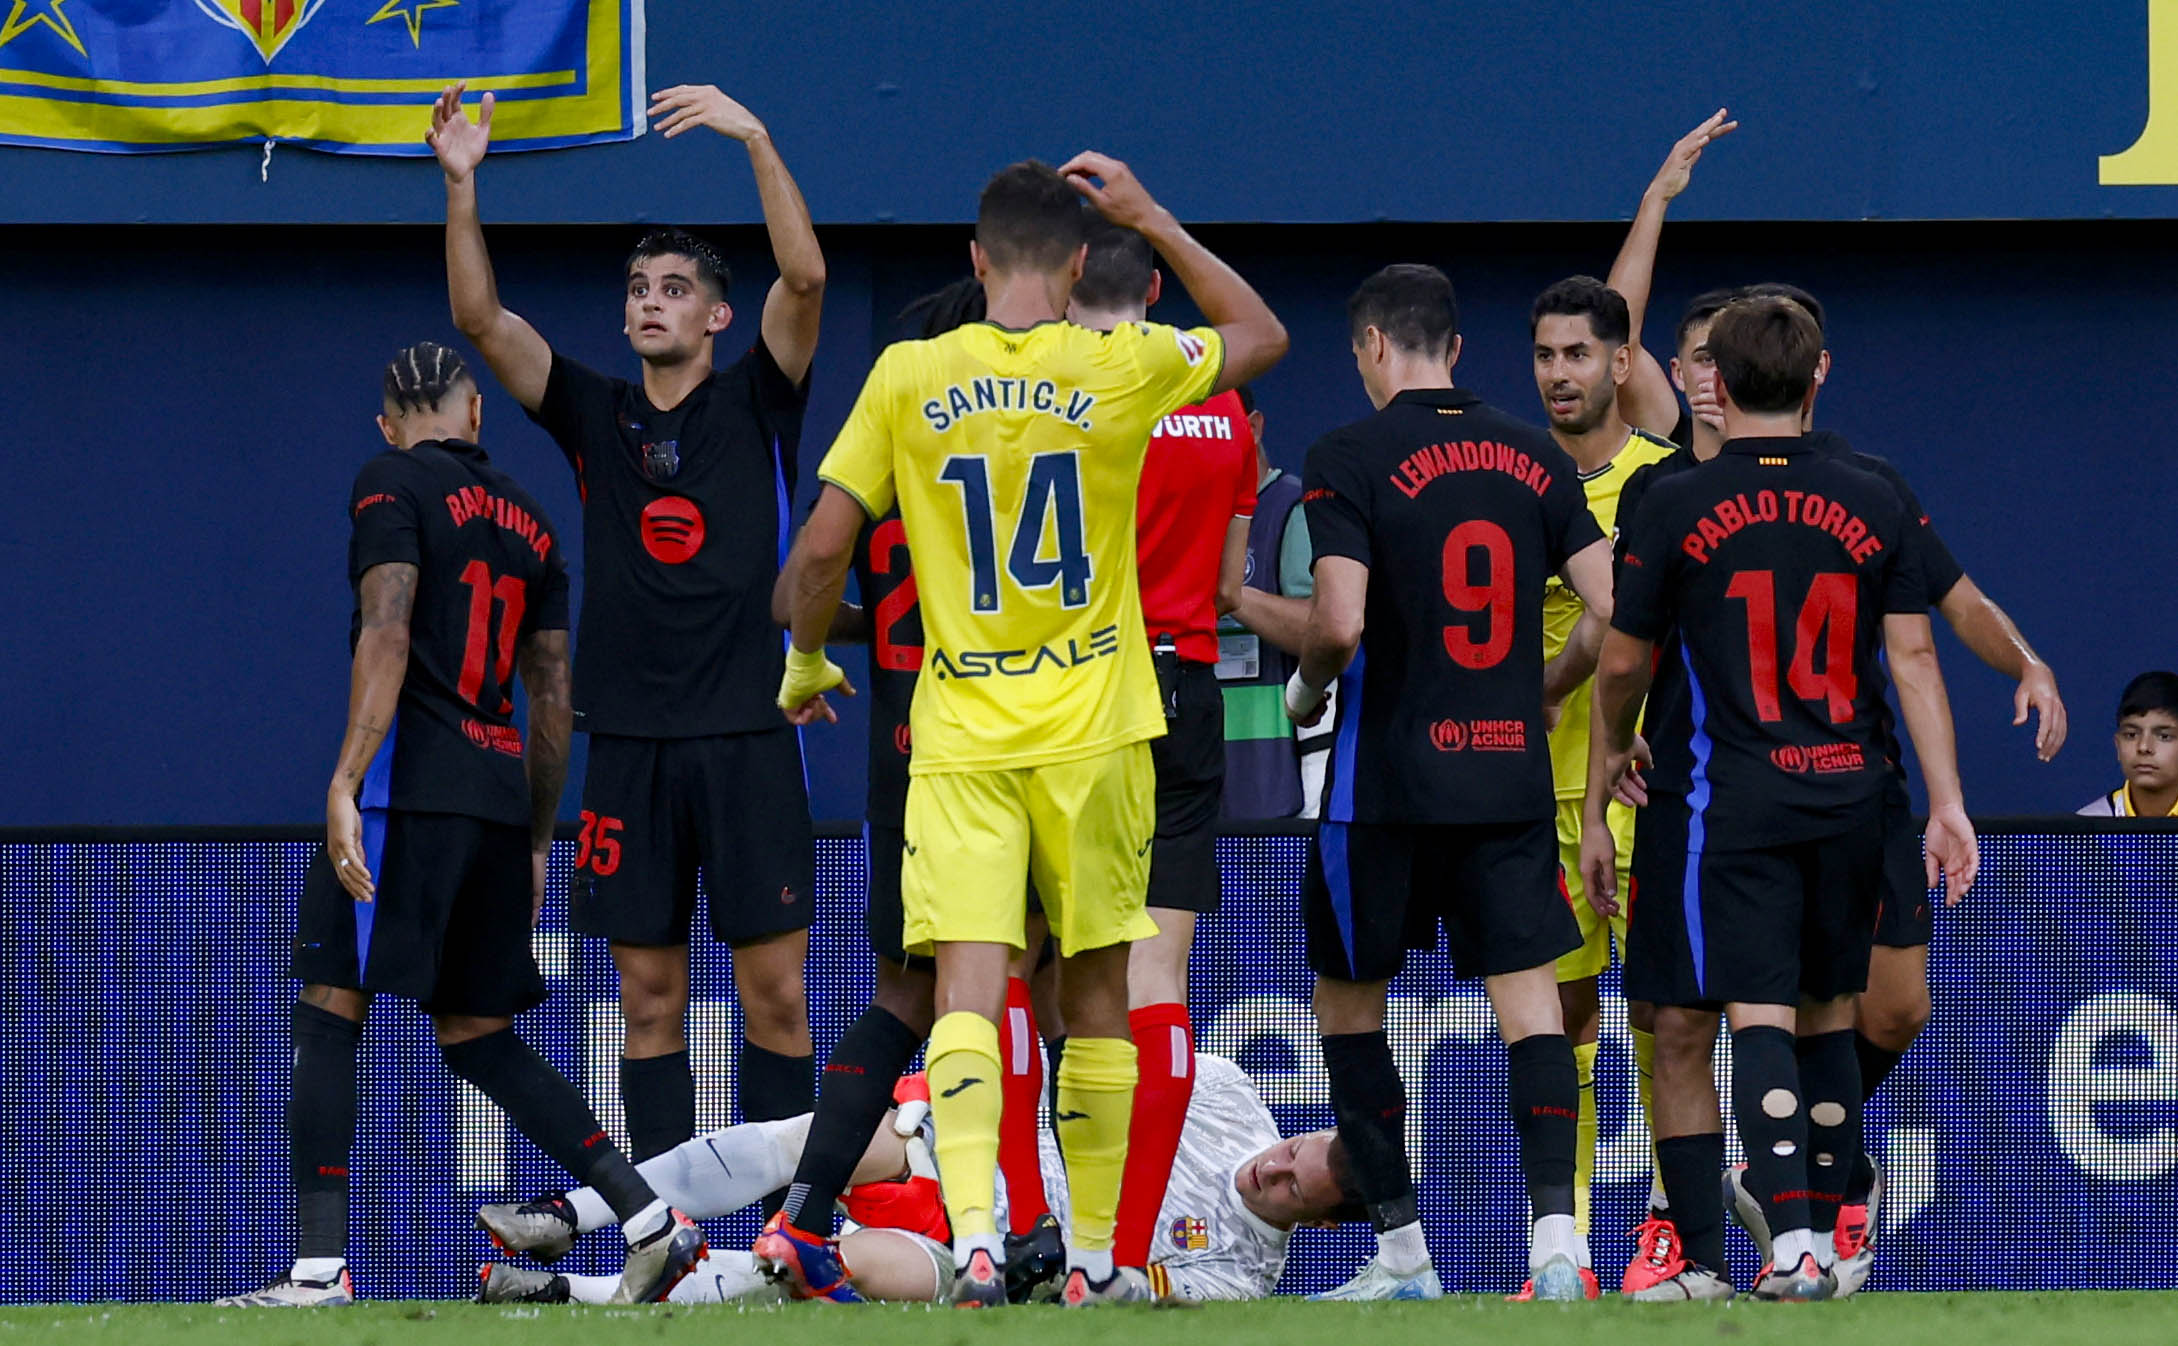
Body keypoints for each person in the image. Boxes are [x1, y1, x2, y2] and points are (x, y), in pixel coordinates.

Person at [771, 155, 1287, 1306]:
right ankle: (1100, 1259)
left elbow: (816, 551)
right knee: (1099, 992)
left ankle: (973, 1237)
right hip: (1098, 730)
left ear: (973, 259)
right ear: (1072, 268)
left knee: (967, 988)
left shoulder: (907, 374)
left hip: (961, 733)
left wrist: (806, 662)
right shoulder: (1120, 363)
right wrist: (1152, 211)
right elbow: (1258, 333)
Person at [216, 344, 700, 1308]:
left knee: (328, 1007)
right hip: (493, 798)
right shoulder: (532, 521)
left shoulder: (386, 480)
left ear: (391, 421)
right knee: (479, 1036)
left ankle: (318, 1270)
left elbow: (388, 629)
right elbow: (554, 691)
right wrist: (534, 834)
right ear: (476, 413)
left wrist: (346, 779)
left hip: (407, 794)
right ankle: (648, 1217)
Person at [429, 81, 827, 1166]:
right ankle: (672, 1236)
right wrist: (462, 185)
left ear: (716, 315)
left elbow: (807, 275)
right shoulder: (595, 414)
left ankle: (783, 1235)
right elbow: (480, 321)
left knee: (777, 997)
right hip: (633, 744)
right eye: (640, 288)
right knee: (648, 1001)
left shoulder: (759, 398)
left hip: (748, 731)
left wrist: (755, 135)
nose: (652, 302)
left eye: (675, 288)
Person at [1589, 295, 1979, 1301]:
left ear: (1715, 378)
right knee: (1828, 1013)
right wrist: (1947, 800)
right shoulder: (1873, 495)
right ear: (1816, 378)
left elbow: (1625, 657)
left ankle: (1795, 1244)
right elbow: (1915, 651)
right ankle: (1827, 1243)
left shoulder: (1675, 500)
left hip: (1737, 795)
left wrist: (1604, 768)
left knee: (1756, 1009)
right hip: (1850, 792)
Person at [1283, 264, 1618, 1302]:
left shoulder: (1347, 452)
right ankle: (1557, 1247)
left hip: (1379, 788)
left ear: (1374, 346)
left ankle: (1402, 1257)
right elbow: (1613, 607)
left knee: (1349, 1015)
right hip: (1504, 779)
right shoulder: (1532, 453)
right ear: (1457, 348)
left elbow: (1338, 621)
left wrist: (1301, 694)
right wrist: (1547, 687)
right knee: (1535, 1016)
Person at [477, 1056, 1360, 1305]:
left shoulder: (1244, 1275)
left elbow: (1108, 1294)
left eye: (1291, 1187)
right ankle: (576, 1210)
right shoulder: (1231, 1094)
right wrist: (936, 1106)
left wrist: (1041, 1270)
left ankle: (564, 1291)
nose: (1271, 1165)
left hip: (974, 1255)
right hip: (955, 1153)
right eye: (1297, 1146)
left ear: (1313, 1225)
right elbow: (1067, 1064)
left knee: (829, 1264)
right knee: (813, 1138)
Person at [1061, 220, 1259, 1282]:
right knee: (1160, 978)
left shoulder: (1070, 391)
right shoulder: (1225, 404)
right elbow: (1231, 590)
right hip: (1190, 684)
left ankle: (1046, 1229)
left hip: (1087, 688)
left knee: (1045, 972)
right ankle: (1128, 1255)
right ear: (1156, 287)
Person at [1526, 275, 1678, 1283]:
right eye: (1543, 355)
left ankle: (1670, 1227)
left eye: (1577, 353)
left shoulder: (1664, 481)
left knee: (1666, 1016)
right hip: (1538, 800)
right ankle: (1562, 1249)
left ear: (1620, 363)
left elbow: (1622, 622)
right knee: (1562, 1022)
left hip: (1638, 792)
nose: (1558, 375)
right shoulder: (1516, 477)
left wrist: (1553, 684)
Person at [1226, 391, 1336, 818]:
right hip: (1199, 765)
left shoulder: (1292, 507)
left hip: (1277, 763)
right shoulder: (1186, 515)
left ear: (1252, 427)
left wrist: (1230, 594)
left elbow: (1320, 626)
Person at [2079, 672, 2178, 816]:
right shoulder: (2086, 829)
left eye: (2164, 736)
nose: (2143, 747)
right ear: (2118, 746)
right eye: (2131, 735)